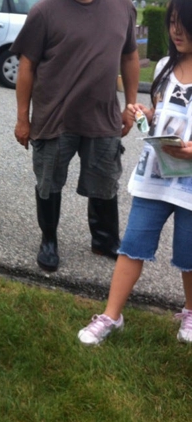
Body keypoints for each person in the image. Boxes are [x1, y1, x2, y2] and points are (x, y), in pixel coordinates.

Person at [78, 0, 192, 346]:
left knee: (190, 255)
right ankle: (111, 316)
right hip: (155, 175)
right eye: (172, 21)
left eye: (183, 22)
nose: (175, 29)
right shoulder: (163, 67)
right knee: (132, 247)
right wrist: (144, 113)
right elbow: (160, 113)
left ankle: (190, 311)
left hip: (189, 184)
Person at [11, 0, 140, 272]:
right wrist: (23, 118)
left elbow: (129, 57)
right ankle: (48, 241)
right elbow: (27, 66)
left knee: (106, 179)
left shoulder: (123, 8)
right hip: (55, 115)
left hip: (103, 116)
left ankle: (104, 240)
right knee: (49, 181)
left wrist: (130, 105)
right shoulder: (44, 11)